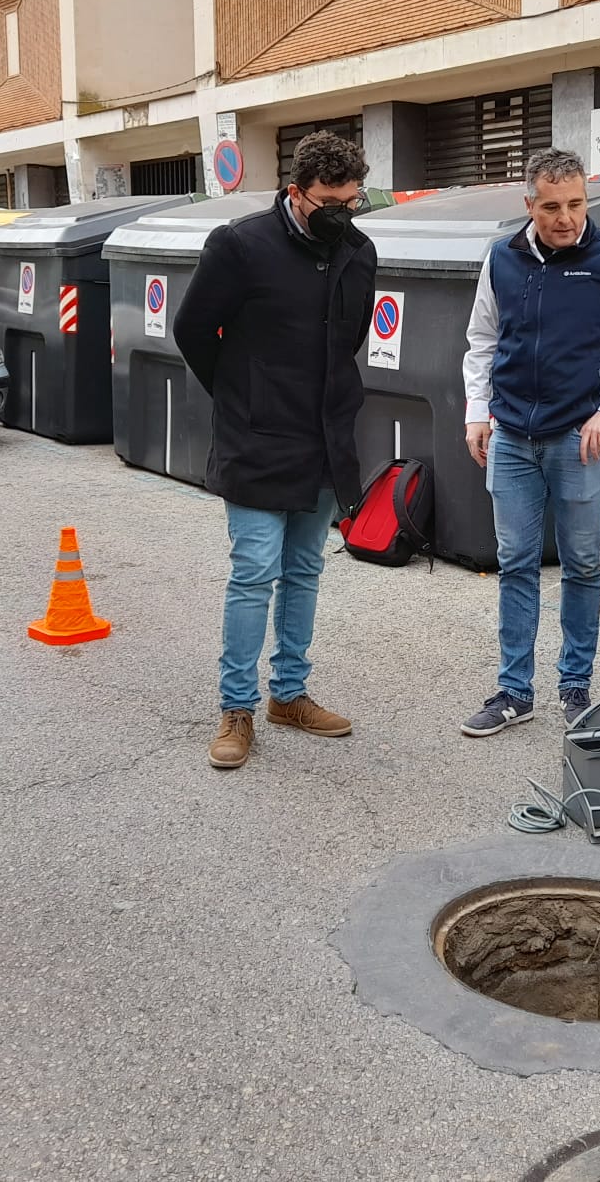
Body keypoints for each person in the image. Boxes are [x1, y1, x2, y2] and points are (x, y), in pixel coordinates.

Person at [459, 149, 600, 737]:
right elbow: (482, 340)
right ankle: (513, 691)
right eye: (552, 206)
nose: (566, 218)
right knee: (516, 564)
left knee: (582, 564)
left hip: (580, 439)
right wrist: (476, 413)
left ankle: (575, 687)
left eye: (577, 204)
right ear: (528, 205)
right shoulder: (501, 259)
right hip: (509, 436)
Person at [175, 131, 376, 770]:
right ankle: (237, 707)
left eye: (353, 199)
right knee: (254, 570)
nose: (344, 213)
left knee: (305, 569)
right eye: (331, 201)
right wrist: (243, 395)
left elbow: (351, 338)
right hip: (257, 437)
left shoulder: (358, 250)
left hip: (324, 437)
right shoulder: (239, 245)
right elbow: (193, 330)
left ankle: (289, 694)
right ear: (296, 193)